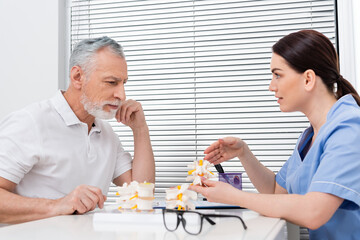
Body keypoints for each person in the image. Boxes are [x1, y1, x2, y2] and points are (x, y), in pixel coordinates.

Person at [190, 30, 360, 239]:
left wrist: (234, 197)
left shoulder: (349, 128)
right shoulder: (310, 137)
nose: (271, 86)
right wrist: (244, 153)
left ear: (308, 79)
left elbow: (314, 212)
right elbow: (275, 191)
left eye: (278, 74)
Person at [0, 37, 155, 224]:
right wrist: (57, 205)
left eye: (124, 83)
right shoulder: (30, 122)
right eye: (111, 82)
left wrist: (140, 129)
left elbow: (141, 193)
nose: (121, 95)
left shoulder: (106, 134)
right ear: (77, 77)